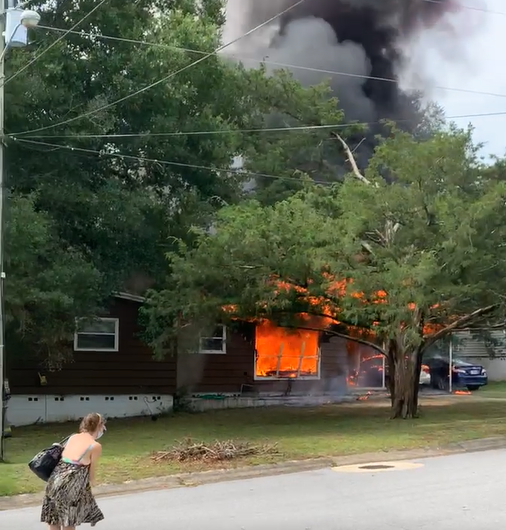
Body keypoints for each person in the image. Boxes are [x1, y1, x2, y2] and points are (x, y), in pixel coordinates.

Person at [41, 412, 106, 529]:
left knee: (53, 520)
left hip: (54, 480)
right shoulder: (95, 446)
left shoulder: (73, 437)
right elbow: (91, 474)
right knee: (68, 522)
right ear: (99, 426)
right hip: (70, 485)